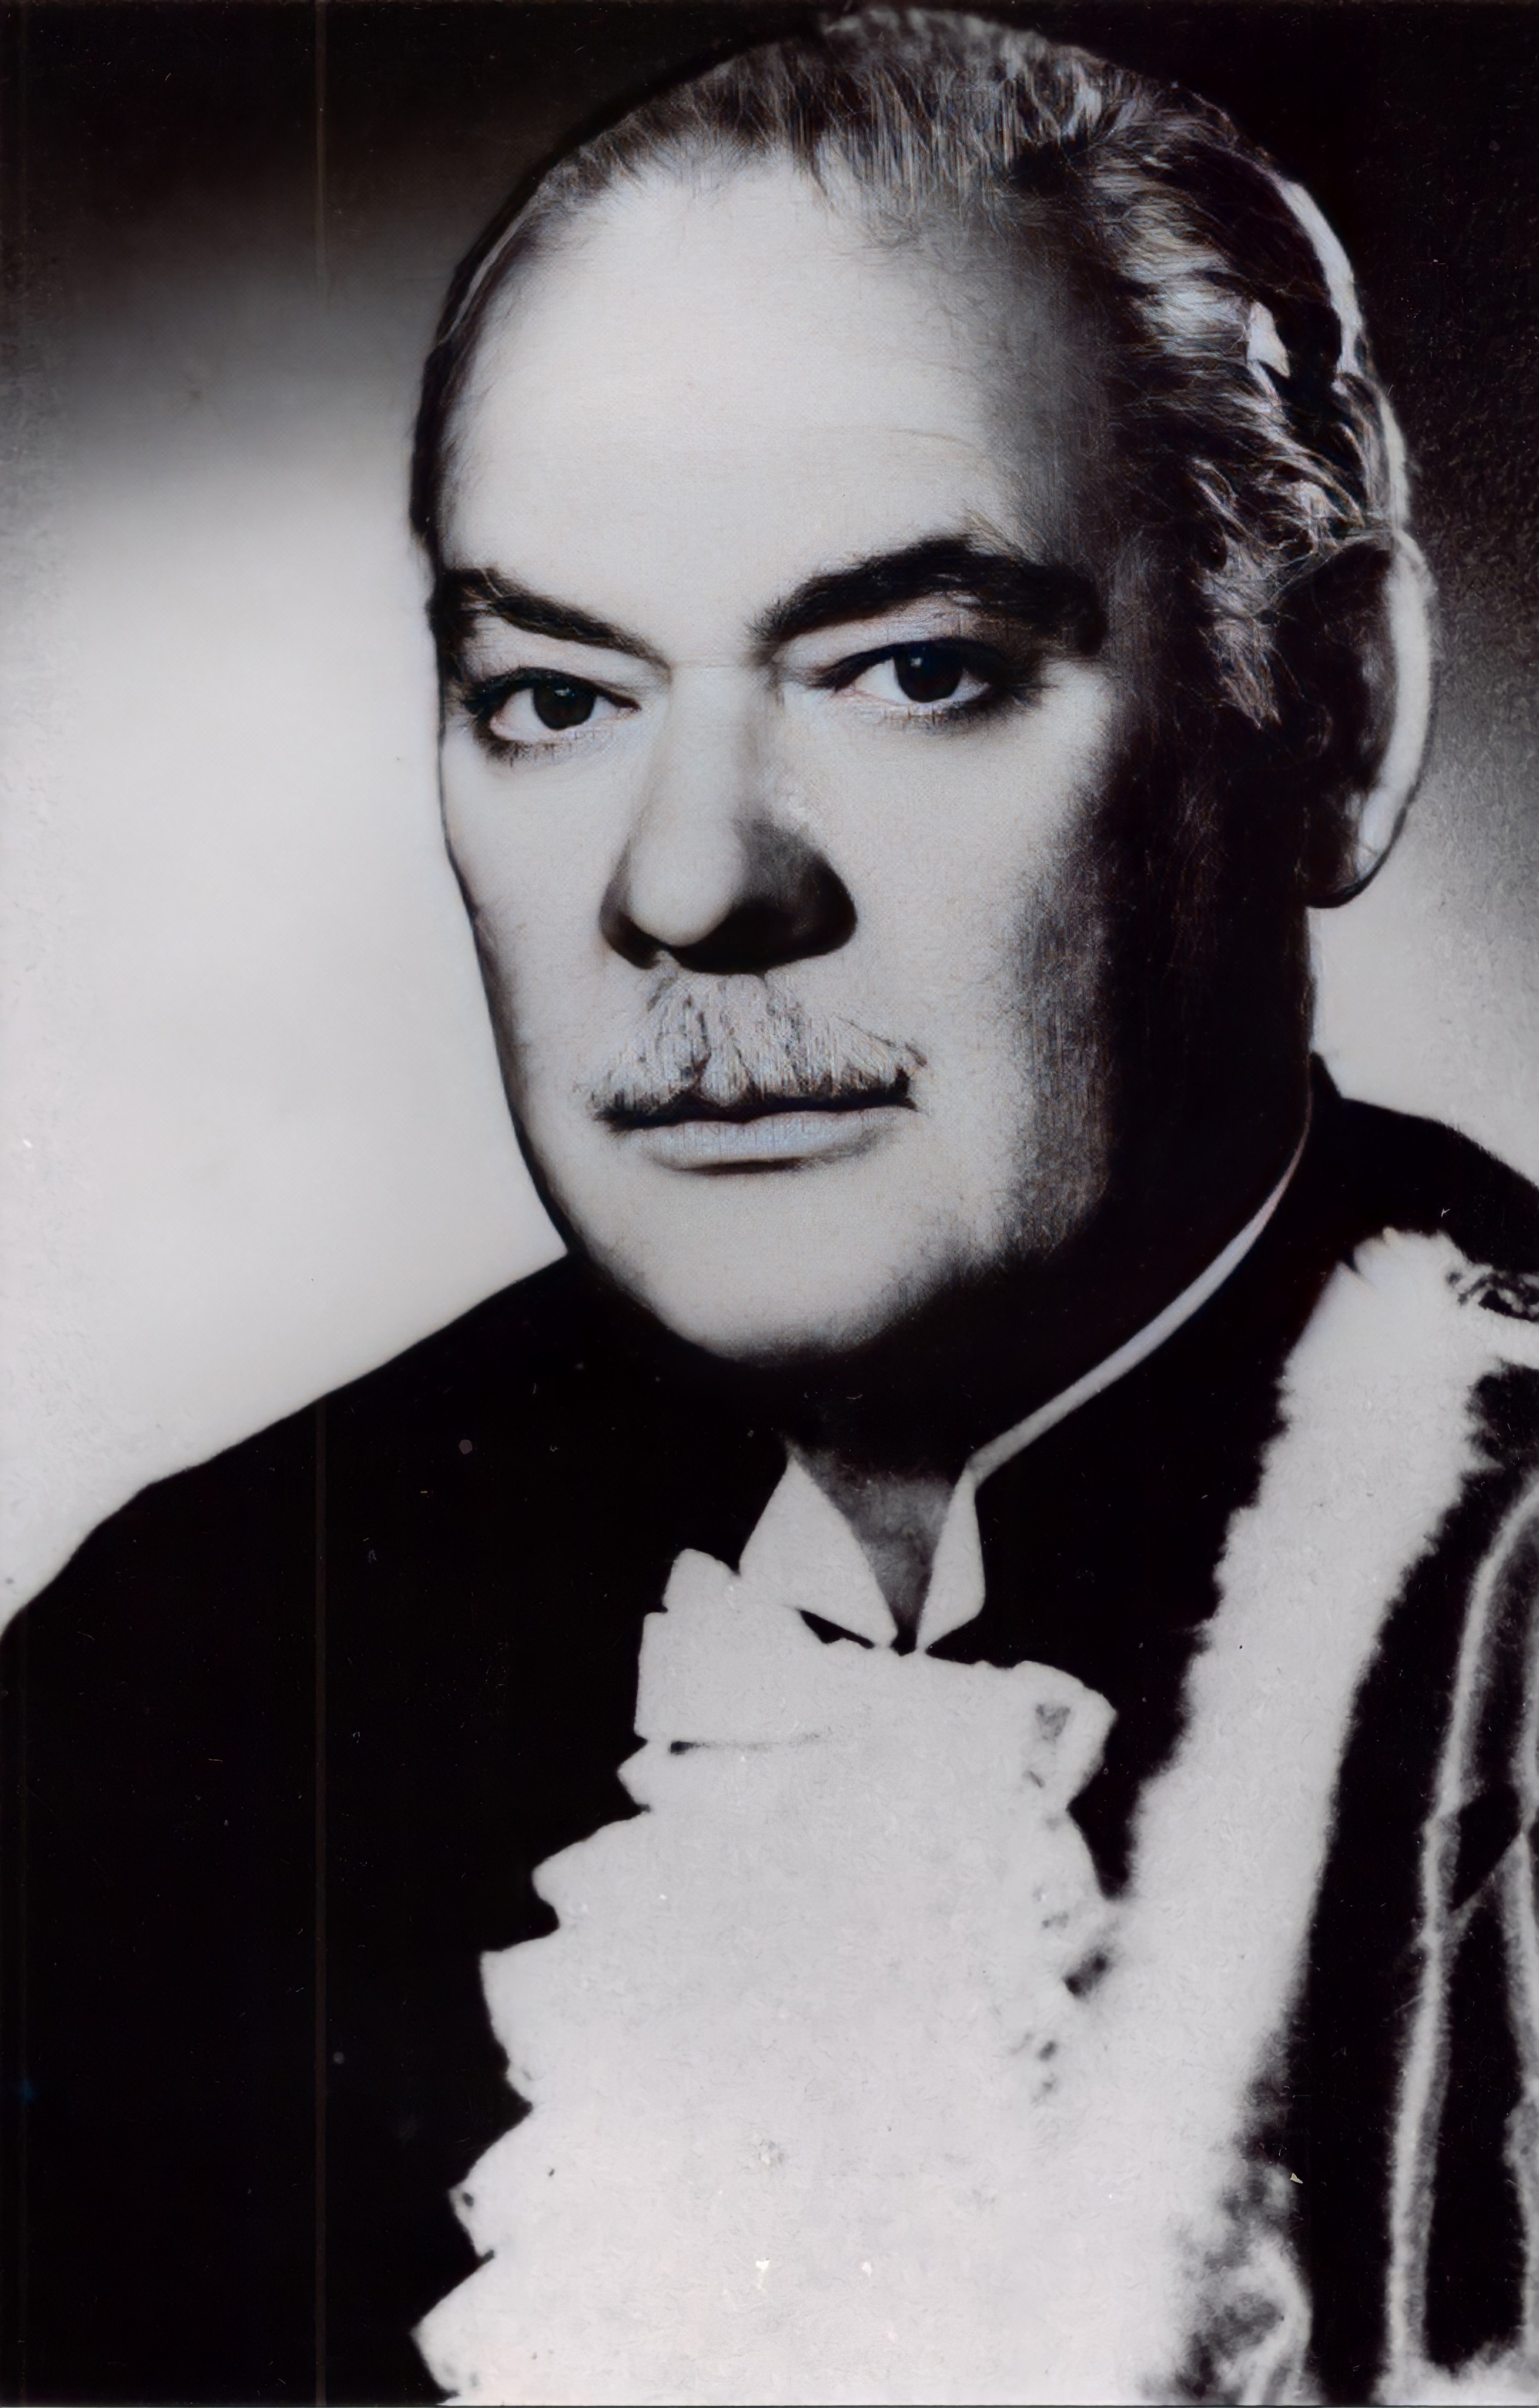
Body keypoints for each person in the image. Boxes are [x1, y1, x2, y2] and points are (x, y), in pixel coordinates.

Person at [4, 8, 1538, 2403]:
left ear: (1329, 714)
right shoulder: (177, 1675)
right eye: (553, 695)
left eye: (911, 668)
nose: (690, 883)